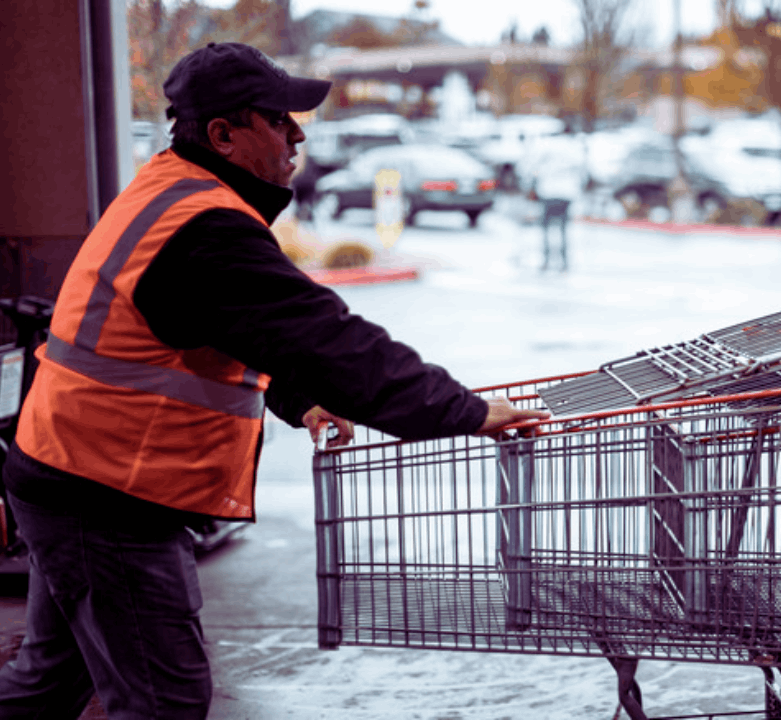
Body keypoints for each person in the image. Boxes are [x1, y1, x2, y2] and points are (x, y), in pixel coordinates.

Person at [0, 42, 546, 718]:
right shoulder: (204, 229)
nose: (298, 132)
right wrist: (464, 410)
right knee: (164, 699)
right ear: (224, 134)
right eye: (279, 117)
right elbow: (327, 338)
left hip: (67, 472)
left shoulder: (174, 192)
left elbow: (228, 326)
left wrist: (299, 399)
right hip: (107, 497)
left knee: (47, 682)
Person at [528, 157, 583, 272]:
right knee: (562, 232)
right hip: (564, 196)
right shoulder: (570, 157)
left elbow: (534, 174)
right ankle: (563, 262)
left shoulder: (544, 158)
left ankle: (548, 261)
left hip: (549, 196)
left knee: (548, 231)